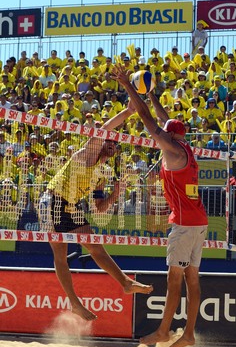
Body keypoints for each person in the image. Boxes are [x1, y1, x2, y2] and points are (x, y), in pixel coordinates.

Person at [113, 64, 208, 347]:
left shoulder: (171, 148)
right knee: (192, 278)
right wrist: (152, 94)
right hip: (199, 222)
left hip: (184, 225)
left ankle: (164, 331)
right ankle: (189, 333)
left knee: (174, 279)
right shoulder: (185, 148)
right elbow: (164, 119)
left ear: (169, 137)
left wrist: (126, 85)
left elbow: (146, 118)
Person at [38, 103, 153, 321]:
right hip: (52, 200)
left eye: (114, 144)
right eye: (108, 141)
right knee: (60, 254)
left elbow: (100, 209)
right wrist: (128, 112)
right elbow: (105, 129)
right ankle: (74, 303)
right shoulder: (89, 153)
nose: (111, 144)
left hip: (72, 205)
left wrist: (116, 194)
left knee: (95, 246)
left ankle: (126, 283)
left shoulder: (102, 173)